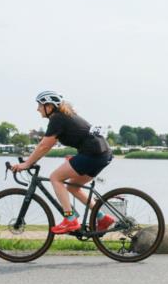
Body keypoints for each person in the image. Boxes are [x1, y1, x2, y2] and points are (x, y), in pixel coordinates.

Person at [11, 91, 115, 234]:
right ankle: (103, 218)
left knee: (55, 178)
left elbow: (44, 146)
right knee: (73, 187)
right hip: (102, 154)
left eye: (40, 105)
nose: (38, 109)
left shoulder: (57, 119)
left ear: (49, 106)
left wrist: (27, 163)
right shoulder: (66, 116)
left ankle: (70, 219)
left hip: (92, 154)